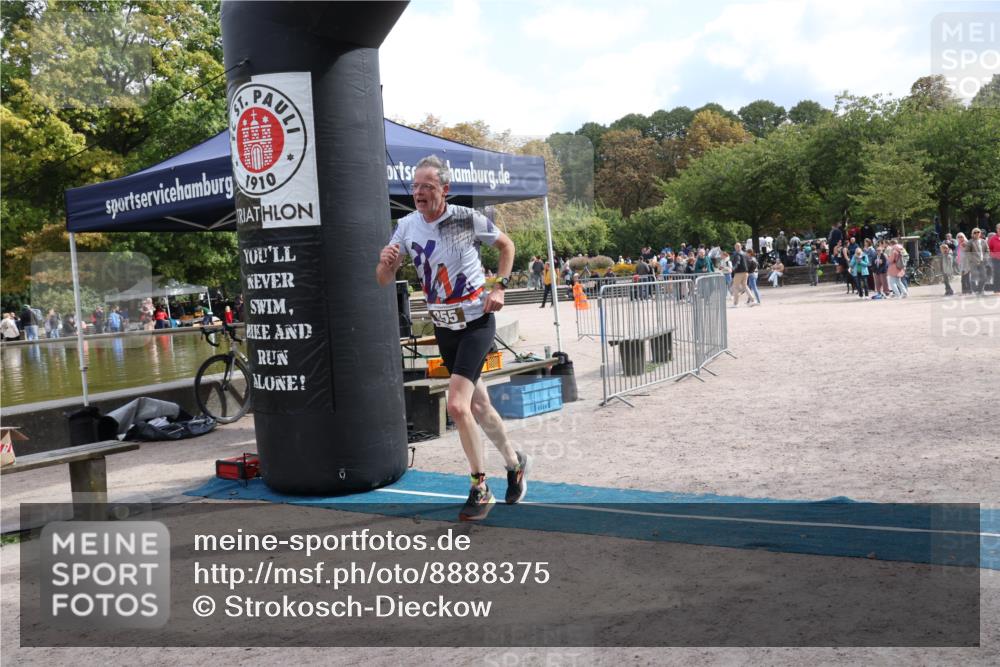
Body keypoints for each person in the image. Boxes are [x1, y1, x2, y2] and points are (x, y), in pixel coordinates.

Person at [376, 155, 527, 521]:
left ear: (445, 189)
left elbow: (507, 246)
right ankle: (515, 463)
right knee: (480, 407)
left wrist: (500, 287)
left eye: (427, 186)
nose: (419, 192)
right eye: (415, 186)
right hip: (444, 327)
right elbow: (382, 279)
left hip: (477, 321)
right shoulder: (406, 226)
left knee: (458, 406)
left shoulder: (466, 218)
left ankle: (480, 487)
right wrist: (385, 262)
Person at [964, 228, 990, 295]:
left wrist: (985, 258)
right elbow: (967, 252)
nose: (977, 233)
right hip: (973, 262)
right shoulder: (970, 242)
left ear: (980, 233)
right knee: (974, 277)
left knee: (984, 277)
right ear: (972, 234)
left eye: (978, 232)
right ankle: (976, 290)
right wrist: (973, 260)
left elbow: (987, 250)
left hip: (982, 262)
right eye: (975, 232)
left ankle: (980, 289)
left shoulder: (984, 241)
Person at [990, 223, 1000, 293]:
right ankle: (996, 289)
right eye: (999, 228)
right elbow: (989, 249)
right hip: (996, 259)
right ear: (997, 229)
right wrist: (994, 255)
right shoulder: (993, 238)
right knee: (997, 274)